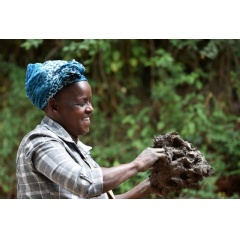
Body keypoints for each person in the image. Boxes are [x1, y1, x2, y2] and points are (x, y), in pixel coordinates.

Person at [16, 59, 165, 199]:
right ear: (54, 106)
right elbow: (86, 184)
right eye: (82, 103)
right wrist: (137, 164)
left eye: (90, 101)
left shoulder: (73, 148)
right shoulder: (40, 143)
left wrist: (150, 185)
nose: (91, 109)